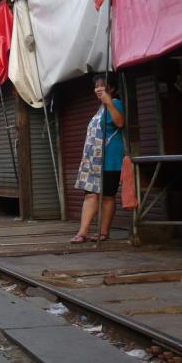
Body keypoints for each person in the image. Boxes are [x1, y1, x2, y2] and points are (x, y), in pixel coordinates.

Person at [71, 72, 125, 243]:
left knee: (108, 196)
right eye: (96, 86)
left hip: (110, 159)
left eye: (101, 86)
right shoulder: (100, 108)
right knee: (90, 195)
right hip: (94, 161)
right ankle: (82, 232)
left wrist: (109, 102)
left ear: (112, 88)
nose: (98, 89)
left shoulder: (115, 103)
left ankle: (103, 233)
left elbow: (120, 122)